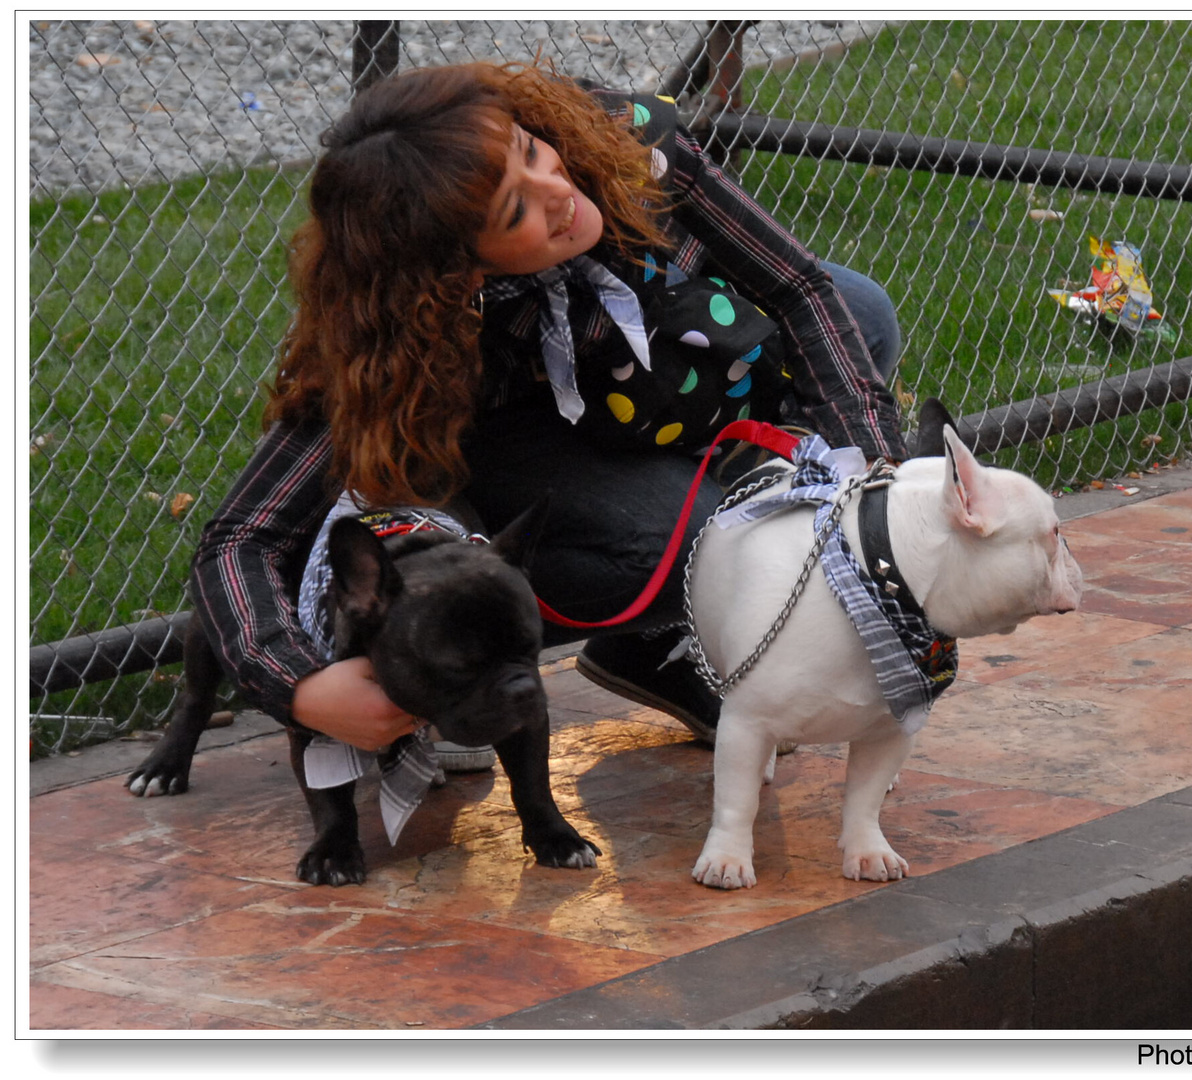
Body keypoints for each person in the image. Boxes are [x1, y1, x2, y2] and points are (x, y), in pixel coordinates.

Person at [191, 60, 906, 757]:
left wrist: (870, 467)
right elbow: (239, 539)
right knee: (686, 546)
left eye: (530, 152)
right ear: (453, 267)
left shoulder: (616, 140)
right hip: (518, 458)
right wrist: (303, 687)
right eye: (515, 209)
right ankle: (479, 665)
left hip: (647, 383)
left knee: (860, 313)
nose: (555, 188)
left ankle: (685, 606)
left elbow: (800, 289)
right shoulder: (398, 333)